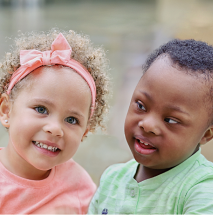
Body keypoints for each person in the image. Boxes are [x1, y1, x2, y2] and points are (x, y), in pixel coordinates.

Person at [88, 39, 213, 214]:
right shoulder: (112, 178)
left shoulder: (202, 188)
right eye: (141, 106)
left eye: (170, 120)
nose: (147, 125)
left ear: (206, 134)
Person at [0, 29, 110, 215]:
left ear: (84, 132)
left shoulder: (81, 188)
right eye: (41, 109)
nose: (55, 129)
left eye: (71, 120)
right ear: (6, 110)